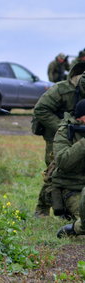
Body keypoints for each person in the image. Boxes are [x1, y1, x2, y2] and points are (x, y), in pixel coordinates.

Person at [33, 62, 85, 217]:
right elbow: (40, 109)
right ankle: (42, 208)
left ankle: (70, 205)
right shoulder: (62, 89)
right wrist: (62, 127)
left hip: (80, 131)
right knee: (54, 170)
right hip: (58, 132)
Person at [54, 99, 85, 238]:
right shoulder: (65, 131)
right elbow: (62, 161)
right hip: (73, 188)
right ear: (81, 117)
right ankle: (72, 229)